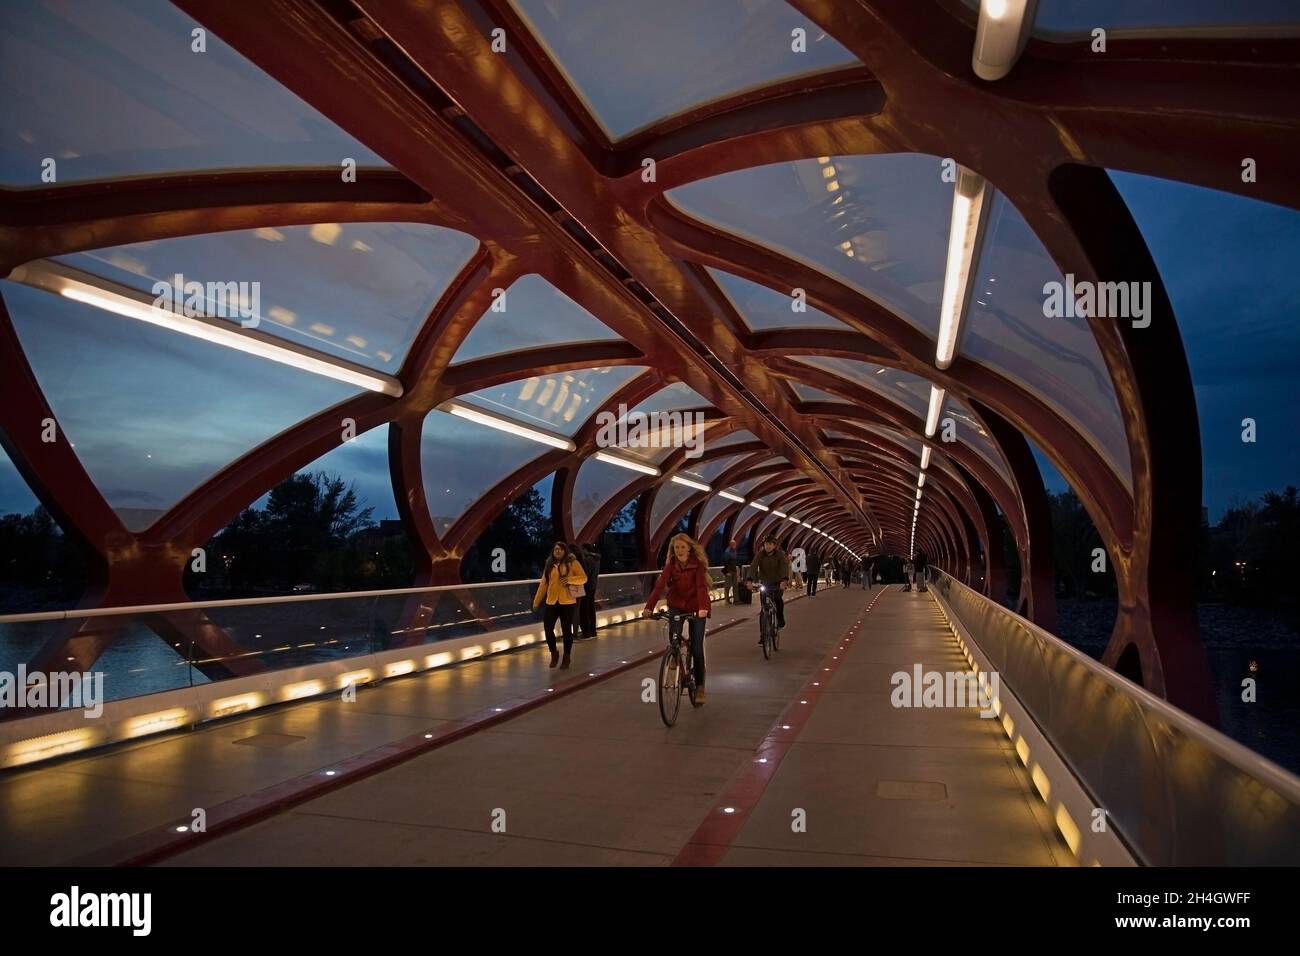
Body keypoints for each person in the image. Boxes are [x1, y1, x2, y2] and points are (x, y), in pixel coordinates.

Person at [642, 533, 713, 704]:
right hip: (677, 604)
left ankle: (701, 688)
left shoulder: (697, 566)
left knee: (696, 649)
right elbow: (659, 586)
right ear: (673, 551)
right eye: (676, 548)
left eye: (682, 547)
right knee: (674, 634)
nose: (679, 550)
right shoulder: (671, 565)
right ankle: (674, 654)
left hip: (697, 606)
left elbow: (701, 587)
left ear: (689, 548)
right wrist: (649, 607)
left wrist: (703, 608)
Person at [532, 541, 588, 668]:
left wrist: (569, 579)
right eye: (556, 549)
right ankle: (554, 653)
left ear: (565, 551)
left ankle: (567, 657)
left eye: (560, 549)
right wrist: (536, 602)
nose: (558, 551)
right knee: (547, 628)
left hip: (567, 602)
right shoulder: (549, 565)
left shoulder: (572, 562)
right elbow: (543, 584)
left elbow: (584, 578)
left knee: (567, 631)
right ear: (553, 551)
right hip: (551, 602)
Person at [747, 534, 790, 643]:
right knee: (763, 611)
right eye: (766, 544)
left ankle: (780, 618)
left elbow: (784, 567)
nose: (768, 546)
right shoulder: (760, 555)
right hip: (765, 583)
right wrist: (749, 580)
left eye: (770, 544)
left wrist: (784, 580)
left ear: (774, 545)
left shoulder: (779, 555)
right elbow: (753, 566)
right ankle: (763, 636)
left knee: (778, 600)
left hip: (777, 583)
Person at [576, 542, 602, 639]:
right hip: (593, 586)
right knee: (591, 609)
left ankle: (586, 632)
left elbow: (584, 575)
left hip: (586, 587)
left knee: (584, 610)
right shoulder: (597, 559)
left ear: (585, 549)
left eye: (582, 549)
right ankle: (593, 631)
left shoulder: (587, 560)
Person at [722, 537, 741, 605]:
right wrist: (727, 572)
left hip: (734, 570)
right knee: (728, 585)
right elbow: (725, 562)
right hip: (729, 571)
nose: (735, 545)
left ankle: (736, 600)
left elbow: (735, 561)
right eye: (734, 544)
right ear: (731, 544)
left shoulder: (734, 552)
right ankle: (727, 599)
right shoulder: (727, 552)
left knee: (735, 585)